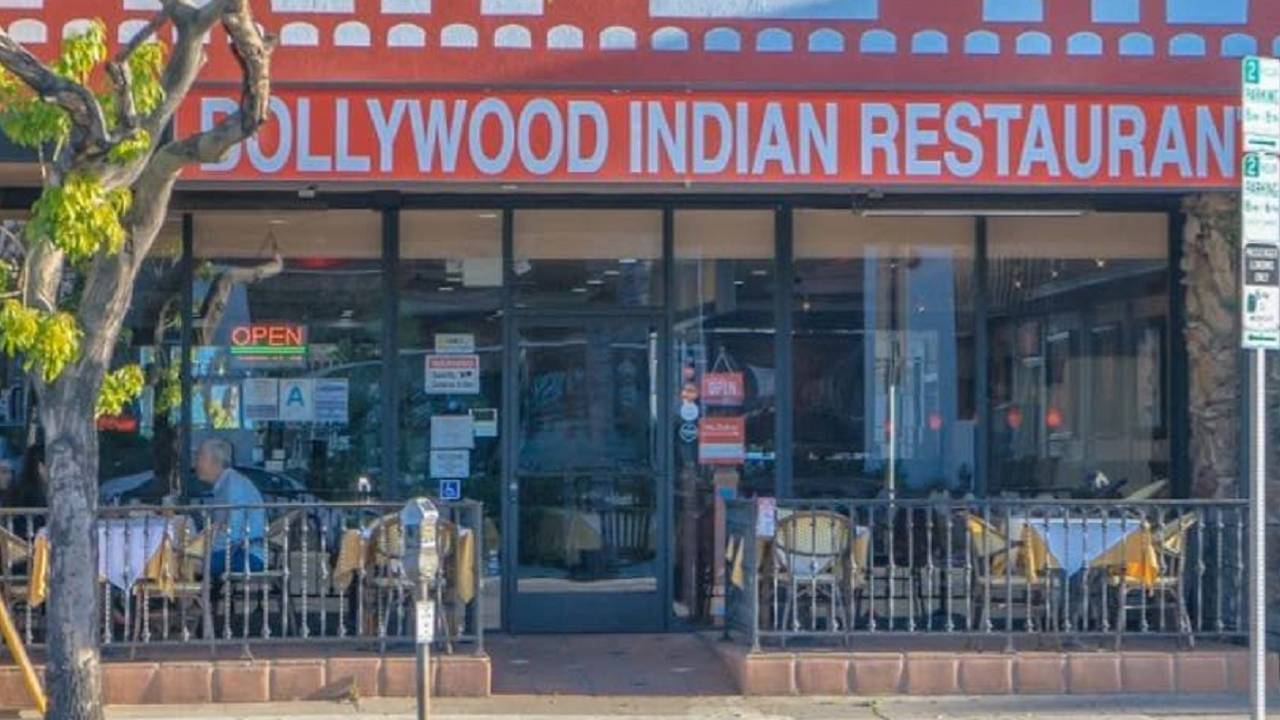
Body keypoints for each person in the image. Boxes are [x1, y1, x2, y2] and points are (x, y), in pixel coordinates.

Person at [195, 438, 267, 577]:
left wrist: (207, 550)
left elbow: (233, 532)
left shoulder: (233, 486)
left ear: (216, 462)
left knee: (190, 564)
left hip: (247, 555)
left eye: (201, 458)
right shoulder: (226, 484)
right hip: (237, 551)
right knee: (187, 561)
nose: (197, 464)